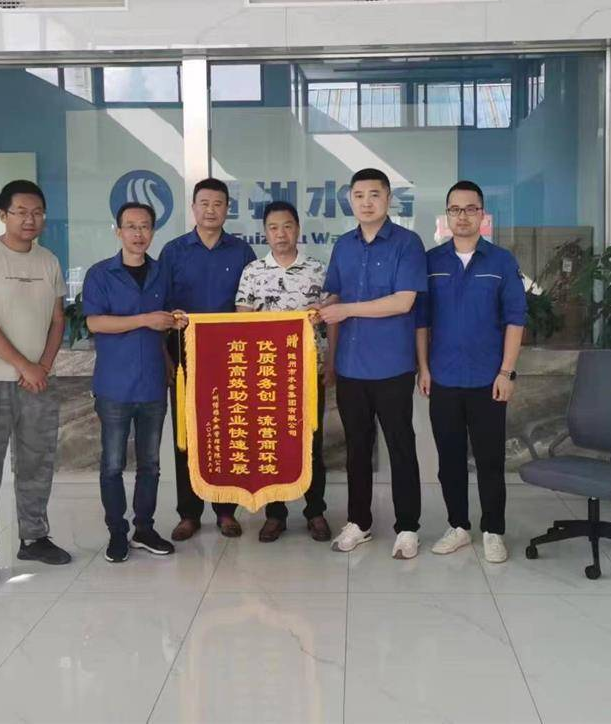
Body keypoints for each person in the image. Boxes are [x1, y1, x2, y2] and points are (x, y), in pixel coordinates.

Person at [0, 179, 72, 590]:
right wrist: (26, 366)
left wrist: (43, 366)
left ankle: (34, 537)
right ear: (3, 215)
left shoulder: (48, 261)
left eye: (37, 212)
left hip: (38, 382)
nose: (30, 219)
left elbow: (57, 320)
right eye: (21, 212)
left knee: (37, 462)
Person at [317, 168, 427, 559]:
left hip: (392, 365)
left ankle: (408, 527)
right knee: (357, 449)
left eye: (375, 195)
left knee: (400, 446)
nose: (367, 202)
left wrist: (346, 309)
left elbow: (404, 301)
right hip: (350, 366)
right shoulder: (343, 246)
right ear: (350, 199)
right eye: (359, 195)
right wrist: (320, 312)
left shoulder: (407, 243)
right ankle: (358, 522)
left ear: (388, 199)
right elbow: (335, 297)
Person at [416, 181, 527, 564]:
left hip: (488, 380)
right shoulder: (431, 262)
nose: (462, 216)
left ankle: (494, 530)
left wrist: (506, 373)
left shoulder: (501, 262)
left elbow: (515, 320)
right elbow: (421, 322)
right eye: (455, 209)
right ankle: (458, 526)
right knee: (449, 461)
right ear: (446, 215)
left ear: (482, 214)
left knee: (490, 460)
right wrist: (424, 368)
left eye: (470, 209)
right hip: (444, 378)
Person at [82, 201, 187, 564]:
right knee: (112, 464)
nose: (138, 233)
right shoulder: (100, 274)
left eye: (145, 227)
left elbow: (164, 323)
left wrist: (173, 325)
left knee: (150, 464)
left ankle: (144, 529)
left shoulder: (161, 273)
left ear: (153, 232)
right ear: (118, 231)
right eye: (131, 226)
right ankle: (117, 533)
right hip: (114, 385)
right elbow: (95, 323)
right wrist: (144, 319)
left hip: (153, 384)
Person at [159, 178, 257, 540]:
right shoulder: (173, 251)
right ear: (193, 207)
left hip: (229, 358)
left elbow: (252, 306)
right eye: (204, 203)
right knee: (186, 435)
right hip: (184, 356)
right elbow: (161, 306)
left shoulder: (242, 252)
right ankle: (189, 513)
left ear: (227, 209)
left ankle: (225, 510)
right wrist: (165, 355)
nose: (211, 210)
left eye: (218, 204)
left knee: (227, 433)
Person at [234, 200, 333, 543]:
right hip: (267, 374)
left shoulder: (317, 270)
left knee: (311, 443)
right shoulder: (252, 272)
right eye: (274, 228)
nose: (281, 234)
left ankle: (315, 511)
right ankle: (275, 515)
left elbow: (331, 319)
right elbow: (242, 322)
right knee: (271, 443)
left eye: (287, 226)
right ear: (265, 232)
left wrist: (331, 362)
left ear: (298, 229)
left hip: (308, 373)